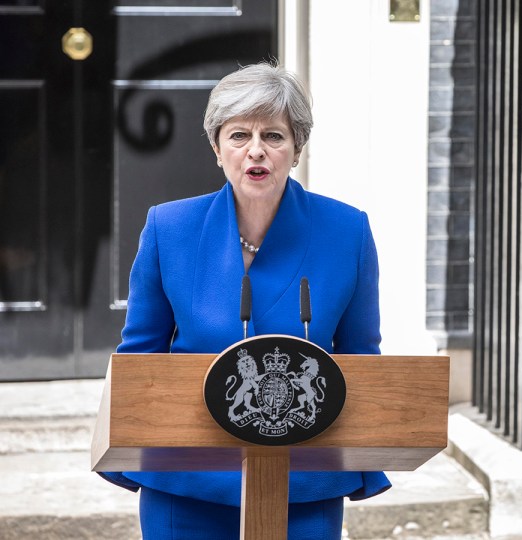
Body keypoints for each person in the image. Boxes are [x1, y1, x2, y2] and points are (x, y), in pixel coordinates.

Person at [100, 63, 390, 539]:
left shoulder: (347, 231)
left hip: (305, 479)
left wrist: (364, 457)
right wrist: (129, 449)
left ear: (296, 148)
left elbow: (363, 359)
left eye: (274, 135)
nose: (256, 150)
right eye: (239, 135)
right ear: (217, 148)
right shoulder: (168, 229)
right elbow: (140, 357)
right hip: (186, 478)